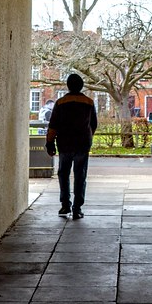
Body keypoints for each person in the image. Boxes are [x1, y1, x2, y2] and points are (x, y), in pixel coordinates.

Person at [45, 73, 97, 220]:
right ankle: (77, 208)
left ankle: (65, 205)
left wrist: (50, 143)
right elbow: (93, 124)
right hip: (82, 144)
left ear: (68, 86)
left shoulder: (61, 103)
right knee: (80, 175)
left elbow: (53, 125)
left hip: (65, 144)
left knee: (63, 174)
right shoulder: (89, 102)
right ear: (81, 86)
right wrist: (87, 136)